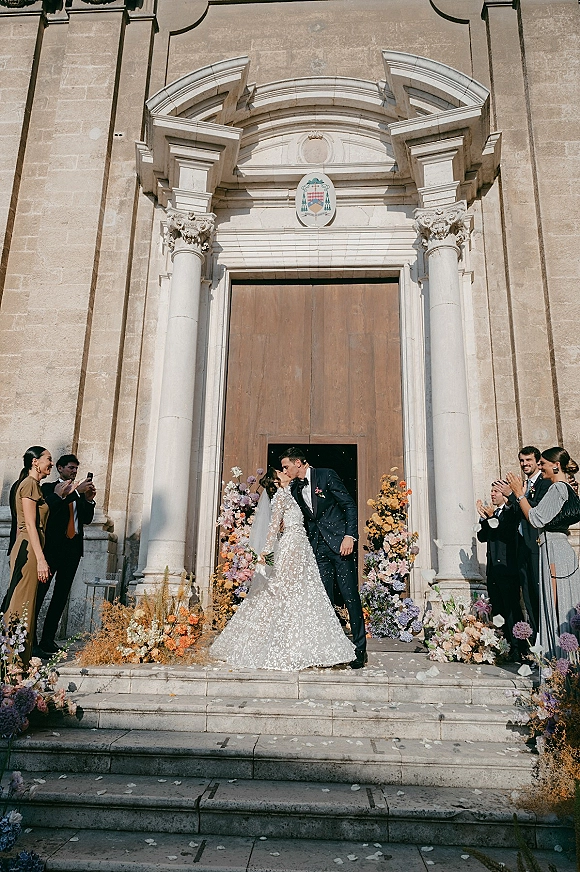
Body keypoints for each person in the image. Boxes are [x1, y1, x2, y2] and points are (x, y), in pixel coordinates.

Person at [210, 468, 355, 671]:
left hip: (302, 547)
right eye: (281, 471)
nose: (285, 471)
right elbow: (272, 528)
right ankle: (285, 646)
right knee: (289, 594)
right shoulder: (280, 497)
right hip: (290, 548)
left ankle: (307, 647)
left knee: (305, 594)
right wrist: (265, 557)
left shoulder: (292, 493)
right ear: (277, 481)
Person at [281, 448, 367, 669]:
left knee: (349, 596)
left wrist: (350, 536)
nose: (284, 470)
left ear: (298, 463)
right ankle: (331, 649)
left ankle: (359, 650)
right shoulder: (294, 488)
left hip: (340, 545)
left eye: (286, 466)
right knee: (325, 599)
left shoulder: (326, 475)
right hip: (318, 549)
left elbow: (348, 505)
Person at [506, 447, 580, 660]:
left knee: (556, 606)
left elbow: (537, 519)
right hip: (556, 547)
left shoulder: (558, 489)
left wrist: (519, 494)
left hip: (554, 550)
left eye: (543, 464)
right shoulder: (566, 488)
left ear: (555, 466)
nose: (540, 467)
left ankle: (559, 662)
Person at [1, 447, 59, 663]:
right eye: (49, 460)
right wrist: (41, 559)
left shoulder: (34, 486)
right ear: (35, 462)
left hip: (28, 548)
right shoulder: (29, 485)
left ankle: (16, 660)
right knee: (21, 604)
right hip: (31, 549)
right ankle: (11, 661)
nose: (51, 464)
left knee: (26, 603)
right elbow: (30, 526)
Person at [38, 454, 96, 655]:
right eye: (70, 467)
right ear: (60, 468)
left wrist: (88, 501)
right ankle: (31, 640)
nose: (74, 471)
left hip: (72, 550)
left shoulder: (79, 493)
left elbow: (85, 519)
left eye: (76, 468)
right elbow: (52, 509)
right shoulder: (49, 488)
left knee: (61, 596)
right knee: (40, 594)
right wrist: (76, 493)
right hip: (53, 550)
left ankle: (48, 640)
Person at [498, 446, 551, 637]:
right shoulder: (524, 485)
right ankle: (536, 642)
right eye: (522, 460)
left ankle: (546, 642)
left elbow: (536, 512)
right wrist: (509, 500)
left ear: (538, 462)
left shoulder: (544, 484)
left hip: (536, 546)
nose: (524, 464)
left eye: (528, 460)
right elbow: (516, 517)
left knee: (539, 596)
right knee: (528, 598)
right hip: (522, 549)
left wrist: (514, 494)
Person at [477, 483, 522, 659]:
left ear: (505, 494)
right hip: (494, 569)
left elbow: (505, 532)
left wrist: (489, 517)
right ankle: (504, 646)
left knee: (511, 608)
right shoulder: (493, 514)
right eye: (491, 491)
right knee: (498, 608)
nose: (492, 494)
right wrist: (483, 518)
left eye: (496, 491)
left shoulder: (511, 512)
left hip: (507, 567)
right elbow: (482, 537)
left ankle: (518, 648)